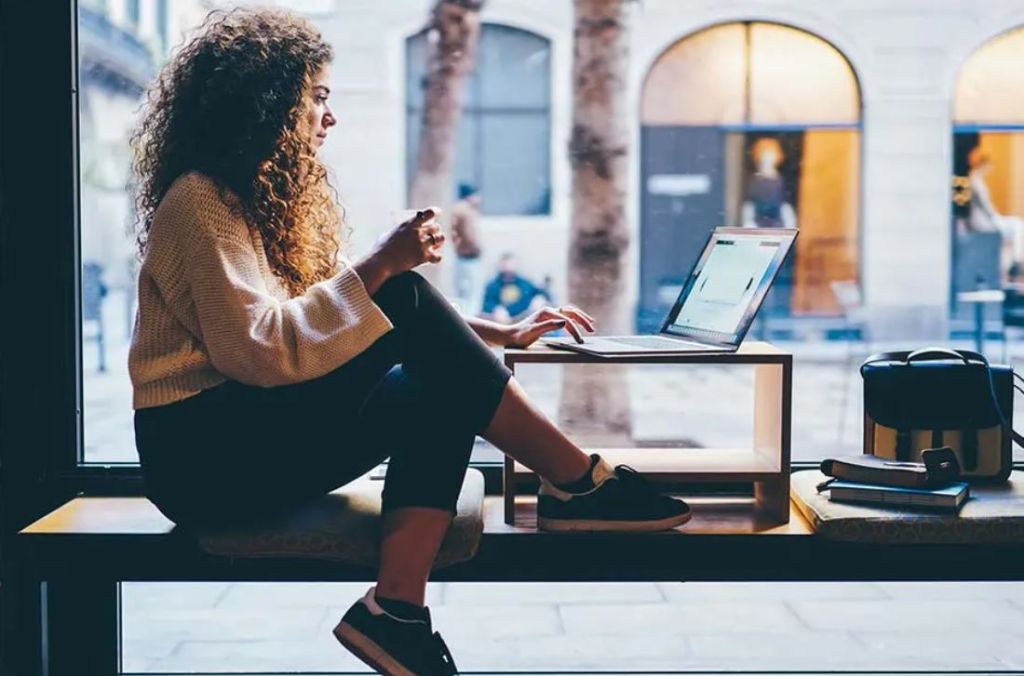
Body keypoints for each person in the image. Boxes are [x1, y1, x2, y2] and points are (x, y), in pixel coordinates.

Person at [127, 10, 690, 675]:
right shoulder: (199, 201)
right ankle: (576, 480)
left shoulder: (252, 203)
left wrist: (495, 332)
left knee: (439, 385)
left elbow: (330, 319)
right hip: (202, 460)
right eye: (317, 98)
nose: (327, 118)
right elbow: (258, 350)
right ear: (265, 104)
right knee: (398, 291)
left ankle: (396, 612)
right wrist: (382, 266)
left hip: (245, 438)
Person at [968, 147, 1024, 280]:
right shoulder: (975, 180)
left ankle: (1016, 259)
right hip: (984, 222)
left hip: (986, 219)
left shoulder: (976, 180)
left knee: (1016, 227)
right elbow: (986, 207)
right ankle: (1016, 260)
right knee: (1017, 226)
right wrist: (996, 218)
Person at [741, 137, 797, 229]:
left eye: (771, 155)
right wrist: (748, 223)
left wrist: (789, 224)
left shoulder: (782, 180)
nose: (768, 158)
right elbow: (749, 205)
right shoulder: (754, 181)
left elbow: (786, 205)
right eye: (765, 155)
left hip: (778, 224)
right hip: (757, 224)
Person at [481, 252, 551, 323]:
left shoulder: (525, 283)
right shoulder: (493, 286)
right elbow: (486, 304)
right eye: (505, 264)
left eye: (510, 264)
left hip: (525, 320)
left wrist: (540, 299)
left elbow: (543, 294)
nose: (508, 267)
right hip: (502, 323)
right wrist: (495, 309)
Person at [449, 183, 484, 314]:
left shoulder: (456, 210)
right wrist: (477, 248)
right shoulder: (465, 212)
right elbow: (469, 236)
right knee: (471, 295)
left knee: (462, 293)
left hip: (461, 257)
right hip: (469, 257)